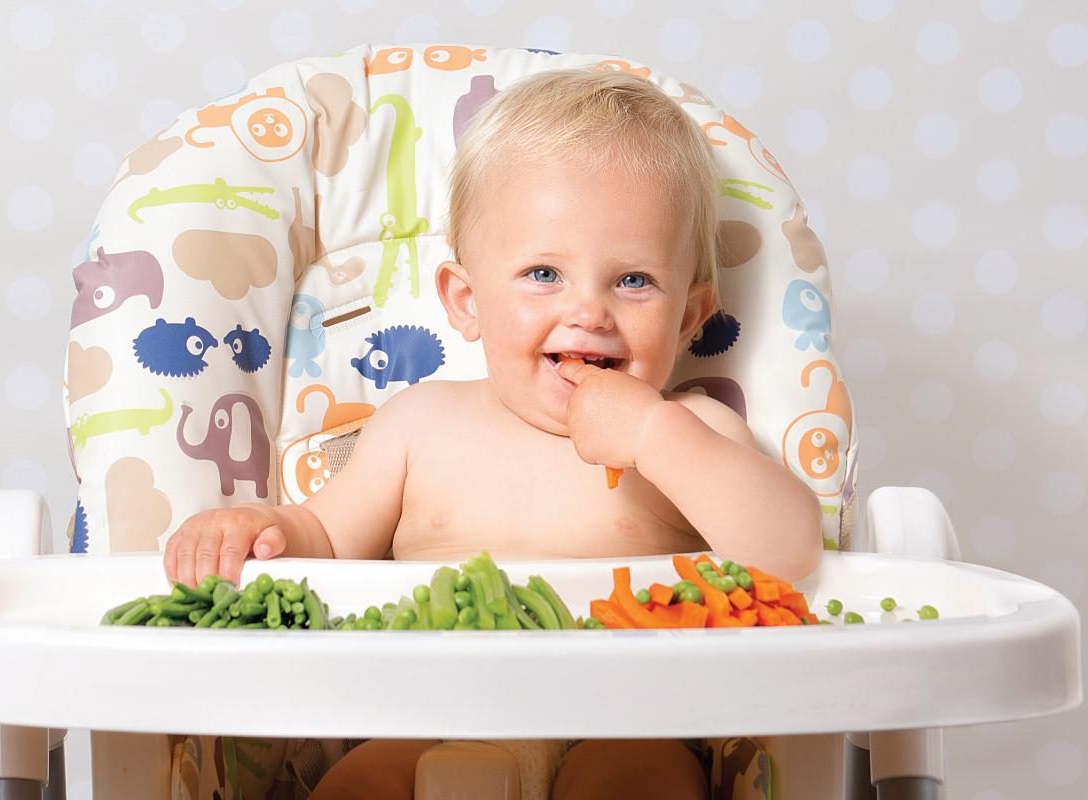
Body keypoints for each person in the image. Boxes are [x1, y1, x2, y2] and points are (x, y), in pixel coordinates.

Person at [164, 67, 823, 800]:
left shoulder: (690, 430)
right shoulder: (420, 424)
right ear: (466, 300)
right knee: (357, 787)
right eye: (544, 272)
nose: (589, 312)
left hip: (630, 722)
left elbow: (788, 550)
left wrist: (654, 433)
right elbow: (323, 537)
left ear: (690, 316)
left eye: (632, 280)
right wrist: (260, 526)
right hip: (421, 720)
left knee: (641, 784)